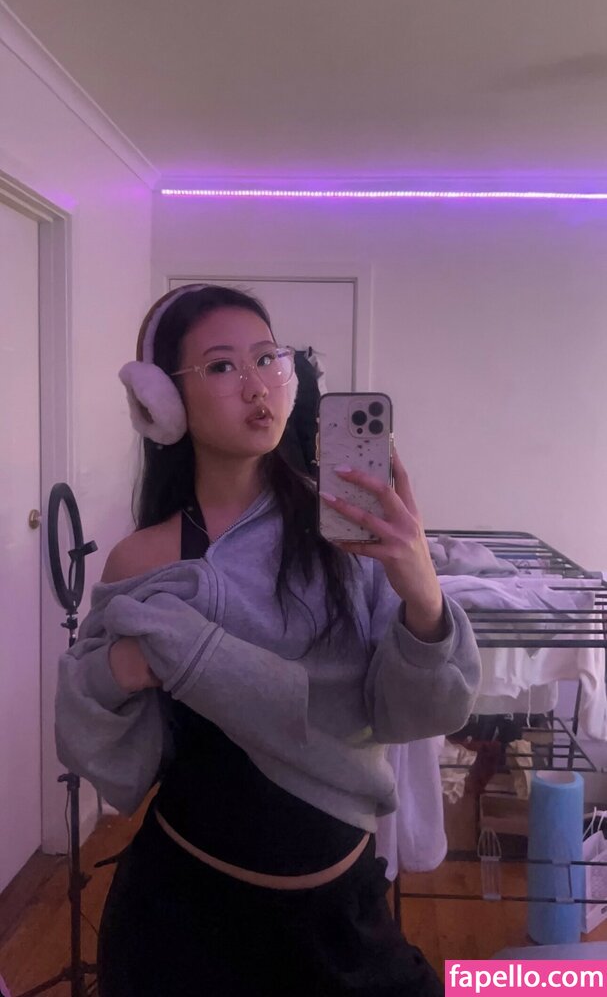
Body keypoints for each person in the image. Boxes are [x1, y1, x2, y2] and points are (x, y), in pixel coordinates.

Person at [55, 284, 481, 996]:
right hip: (181, 922)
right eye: (222, 366)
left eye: (267, 359)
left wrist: (421, 590)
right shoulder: (145, 559)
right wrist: (122, 668)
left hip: (339, 921)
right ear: (165, 403)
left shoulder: (348, 533)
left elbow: (416, 712)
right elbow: (98, 737)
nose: (257, 386)